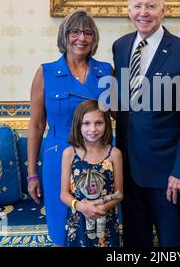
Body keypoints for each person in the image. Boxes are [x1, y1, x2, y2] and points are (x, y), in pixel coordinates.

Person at [112, 0, 180, 247]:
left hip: (167, 174)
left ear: (163, 9)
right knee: (134, 242)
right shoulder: (120, 46)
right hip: (128, 170)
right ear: (128, 9)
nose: (144, 12)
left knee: (171, 244)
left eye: (151, 6)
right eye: (137, 5)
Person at [27, 9, 112, 246]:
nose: (81, 38)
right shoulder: (45, 73)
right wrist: (32, 173)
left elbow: (122, 116)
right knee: (61, 227)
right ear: (64, 36)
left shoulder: (105, 71)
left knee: (98, 228)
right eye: (75, 32)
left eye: (87, 33)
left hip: (99, 159)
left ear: (94, 39)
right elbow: (35, 125)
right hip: (58, 158)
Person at [60, 99, 123, 247]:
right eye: (86, 123)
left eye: (98, 123)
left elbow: (119, 194)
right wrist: (82, 206)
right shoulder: (69, 153)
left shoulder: (114, 154)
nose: (93, 129)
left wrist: (101, 207)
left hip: (105, 222)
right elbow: (64, 194)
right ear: (78, 125)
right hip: (77, 223)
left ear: (106, 124)